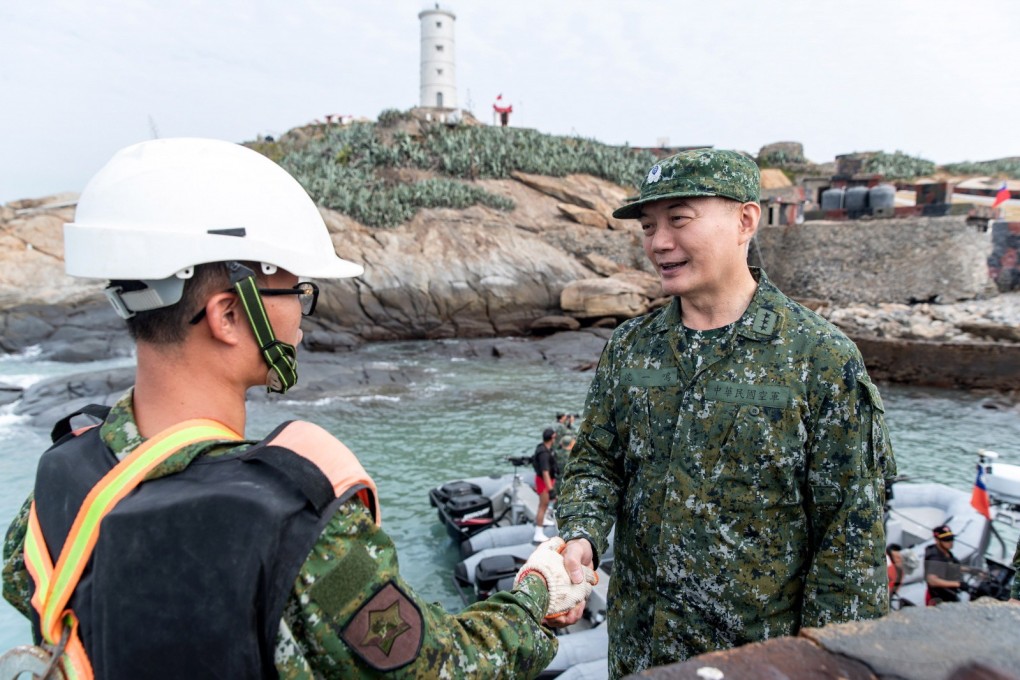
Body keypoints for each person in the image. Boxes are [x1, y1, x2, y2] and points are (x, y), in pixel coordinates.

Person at [0, 138, 594, 678]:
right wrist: (534, 597)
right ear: (229, 315)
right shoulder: (298, 525)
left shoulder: (57, 490)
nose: (302, 315)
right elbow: (440, 667)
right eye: (294, 291)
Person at [555, 148, 895, 677]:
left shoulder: (819, 358)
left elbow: (849, 542)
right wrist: (582, 534)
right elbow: (597, 461)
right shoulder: (630, 347)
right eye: (648, 226)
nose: (659, 242)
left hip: (756, 664)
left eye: (679, 219)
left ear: (745, 221)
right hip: (640, 656)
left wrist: (829, 665)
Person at [925, 524, 964, 605]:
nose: (950, 542)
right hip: (939, 599)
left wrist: (972, 570)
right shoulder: (934, 557)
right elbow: (932, 580)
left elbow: (951, 566)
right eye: (946, 540)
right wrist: (958, 584)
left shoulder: (947, 553)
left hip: (950, 596)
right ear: (937, 540)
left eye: (951, 539)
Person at [532, 427, 558, 543]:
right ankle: (538, 533)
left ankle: (543, 521)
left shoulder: (544, 448)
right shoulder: (544, 454)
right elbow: (545, 472)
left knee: (545, 503)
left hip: (545, 480)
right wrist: (550, 489)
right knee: (543, 506)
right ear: (552, 438)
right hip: (544, 482)